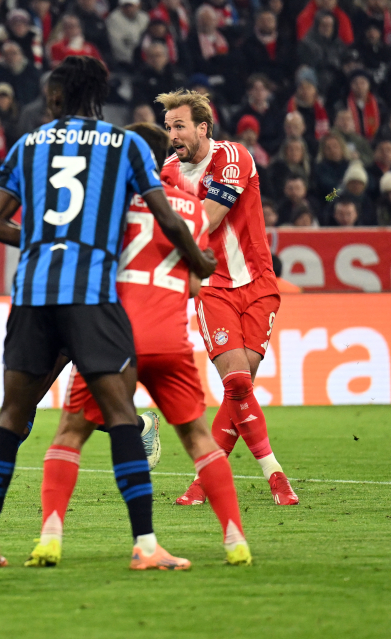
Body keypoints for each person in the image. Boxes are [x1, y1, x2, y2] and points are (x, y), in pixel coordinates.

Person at [0, 57, 215, 571]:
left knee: (13, 414)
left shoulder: (25, 146)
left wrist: (39, 238)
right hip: (90, 293)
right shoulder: (123, 145)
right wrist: (197, 259)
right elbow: (165, 215)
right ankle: (145, 546)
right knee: (122, 415)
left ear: (55, 97)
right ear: (100, 96)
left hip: (34, 291)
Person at [158, 89, 298, 507]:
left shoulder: (234, 158)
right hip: (214, 286)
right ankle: (275, 475)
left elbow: (209, 218)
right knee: (237, 382)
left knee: (240, 389)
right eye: (168, 128)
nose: (173, 136)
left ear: (203, 127)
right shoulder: (167, 171)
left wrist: (169, 220)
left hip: (258, 285)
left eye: (179, 126)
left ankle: (203, 483)